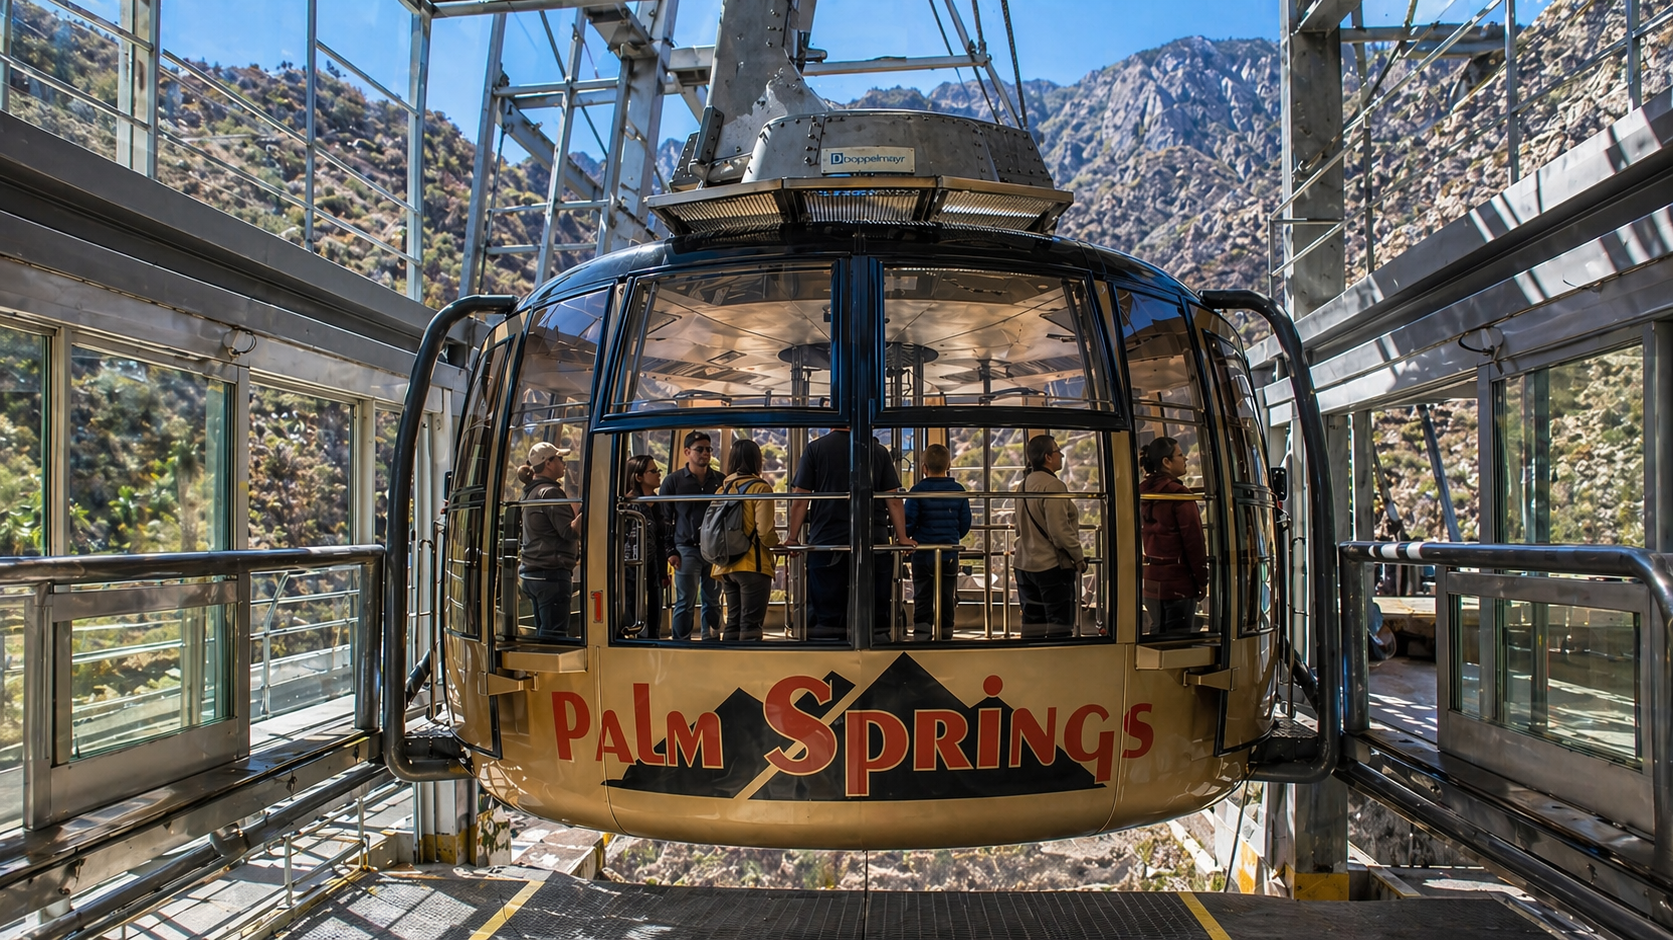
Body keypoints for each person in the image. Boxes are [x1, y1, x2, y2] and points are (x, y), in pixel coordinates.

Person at [786, 427, 916, 643]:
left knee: (827, 615)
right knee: (874, 613)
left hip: (826, 541)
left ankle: (829, 657)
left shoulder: (815, 449)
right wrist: (902, 537)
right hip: (873, 541)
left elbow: (801, 499)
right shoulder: (877, 451)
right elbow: (892, 498)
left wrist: (792, 538)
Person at [1014, 434, 1086, 638]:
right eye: (1057, 451)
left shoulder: (1023, 485)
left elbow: (1019, 527)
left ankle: (1030, 665)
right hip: (1049, 566)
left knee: (1032, 625)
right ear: (1048, 457)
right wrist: (1078, 556)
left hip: (1024, 563)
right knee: (1058, 626)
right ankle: (1056, 666)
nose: (1061, 455)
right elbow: (1059, 530)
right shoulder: (1054, 486)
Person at [710, 439, 781, 641]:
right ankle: (749, 669)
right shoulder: (760, 488)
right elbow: (765, 532)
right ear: (757, 460)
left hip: (724, 565)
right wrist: (779, 545)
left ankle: (728, 666)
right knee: (750, 625)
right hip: (752, 565)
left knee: (733, 621)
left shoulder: (721, 489)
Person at [1139, 436, 1209, 634]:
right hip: (1178, 581)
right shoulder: (1179, 495)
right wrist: (1201, 579)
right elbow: (1194, 542)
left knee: (1156, 636)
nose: (1185, 459)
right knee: (1176, 641)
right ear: (1166, 462)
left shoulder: (1140, 493)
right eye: (1180, 455)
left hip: (1151, 580)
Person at [660, 431, 723, 641]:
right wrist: (670, 551)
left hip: (714, 549)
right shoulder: (673, 482)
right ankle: (681, 643)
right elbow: (665, 519)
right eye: (699, 449)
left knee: (713, 599)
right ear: (687, 452)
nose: (705, 453)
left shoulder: (720, 481)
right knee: (685, 600)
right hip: (686, 548)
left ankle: (712, 640)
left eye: (708, 449)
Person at [905, 443, 971, 640]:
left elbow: (909, 521)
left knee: (923, 595)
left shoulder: (917, 491)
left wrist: (908, 539)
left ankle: (922, 636)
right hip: (949, 551)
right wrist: (953, 536)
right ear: (948, 465)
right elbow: (965, 524)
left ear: (924, 467)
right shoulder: (958, 490)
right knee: (946, 595)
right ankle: (946, 634)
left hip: (923, 552)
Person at [519, 441, 580, 639]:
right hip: (552, 573)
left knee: (543, 631)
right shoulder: (551, 492)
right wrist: (589, 509)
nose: (564, 464)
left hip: (533, 572)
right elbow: (569, 532)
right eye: (560, 459)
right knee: (554, 635)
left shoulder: (529, 492)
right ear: (548, 463)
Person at [621, 455, 676, 638]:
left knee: (654, 609)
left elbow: (661, 538)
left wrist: (662, 570)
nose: (658, 474)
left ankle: (653, 638)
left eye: (658, 471)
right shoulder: (629, 505)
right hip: (632, 568)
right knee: (632, 607)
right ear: (638, 477)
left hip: (653, 565)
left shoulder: (658, 503)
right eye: (653, 471)